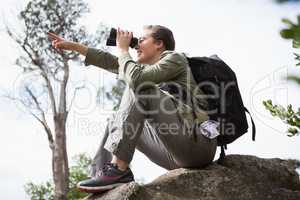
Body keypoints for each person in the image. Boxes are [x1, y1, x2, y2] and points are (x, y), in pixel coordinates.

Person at [48, 25, 217, 193]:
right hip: (174, 154)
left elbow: (136, 80)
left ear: (159, 44)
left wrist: (123, 49)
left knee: (139, 86)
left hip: (198, 144)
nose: (136, 46)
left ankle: (118, 169)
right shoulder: (148, 71)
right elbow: (112, 63)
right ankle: (101, 177)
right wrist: (75, 46)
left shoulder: (175, 58)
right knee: (116, 118)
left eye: (141, 40)